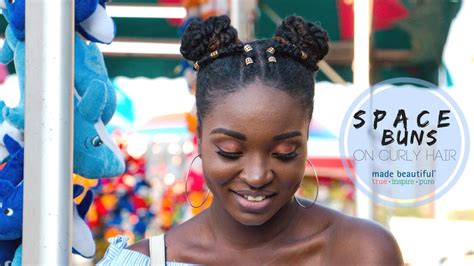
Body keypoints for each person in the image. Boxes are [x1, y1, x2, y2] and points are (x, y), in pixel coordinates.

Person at [98, 15, 404, 265]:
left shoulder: (361, 253)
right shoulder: (141, 262)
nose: (257, 176)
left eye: (284, 152)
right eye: (230, 152)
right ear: (200, 137)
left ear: (305, 139)